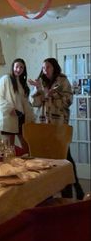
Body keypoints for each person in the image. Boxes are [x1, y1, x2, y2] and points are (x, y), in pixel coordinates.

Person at [29, 57, 84, 200]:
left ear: (54, 68)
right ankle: (48, 193)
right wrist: (39, 92)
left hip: (59, 125)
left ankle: (71, 191)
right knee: (46, 158)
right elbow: (33, 103)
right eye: (43, 68)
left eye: (47, 67)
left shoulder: (63, 80)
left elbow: (69, 101)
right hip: (43, 125)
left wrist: (55, 95)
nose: (44, 70)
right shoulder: (39, 81)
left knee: (65, 158)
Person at [0, 58, 34, 152]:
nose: (19, 69)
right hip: (9, 116)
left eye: (21, 67)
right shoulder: (5, 79)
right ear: (13, 67)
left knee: (26, 145)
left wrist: (30, 116)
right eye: (17, 66)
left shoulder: (22, 82)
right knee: (9, 148)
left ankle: (27, 164)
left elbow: (26, 101)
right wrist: (9, 109)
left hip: (21, 117)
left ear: (24, 70)